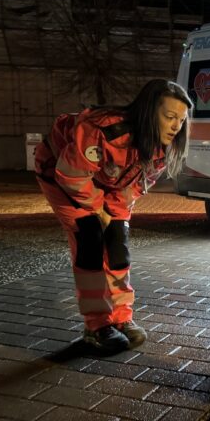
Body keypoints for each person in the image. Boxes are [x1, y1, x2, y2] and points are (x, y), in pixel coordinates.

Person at [34, 79, 192, 353]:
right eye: (169, 117)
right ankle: (96, 326)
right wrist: (98, 211)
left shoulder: (160, 148)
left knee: (118, 245)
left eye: (181, 119)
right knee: (90, 242)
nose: (176, 126)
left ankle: (121, 319)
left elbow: (131, 189)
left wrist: (114, 219)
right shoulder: (104, 130)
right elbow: (71, 175)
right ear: (148, 112)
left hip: (106, 183)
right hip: (62, 174)